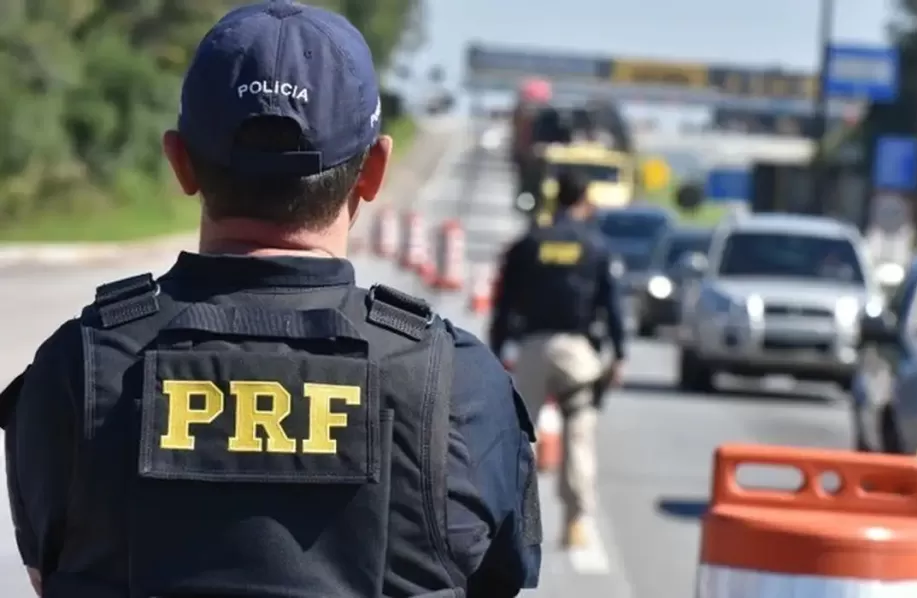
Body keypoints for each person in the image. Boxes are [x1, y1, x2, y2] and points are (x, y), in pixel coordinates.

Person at [0, 2, 540, 596]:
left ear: (180, 162)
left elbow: (44, 573)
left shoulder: (75, 367)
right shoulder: (458, 385)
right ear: (374, 170)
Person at [489, 170, 626, 550]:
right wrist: (620, 354)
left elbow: (503, 303)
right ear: (584, 201)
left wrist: (497, 348)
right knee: (579, 435)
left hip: (532, 348)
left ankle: (507, 521)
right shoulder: (595, 246)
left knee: (520, 438)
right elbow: (611, 305)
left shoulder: (530, 243)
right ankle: (576, 522)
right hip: (576, 353)